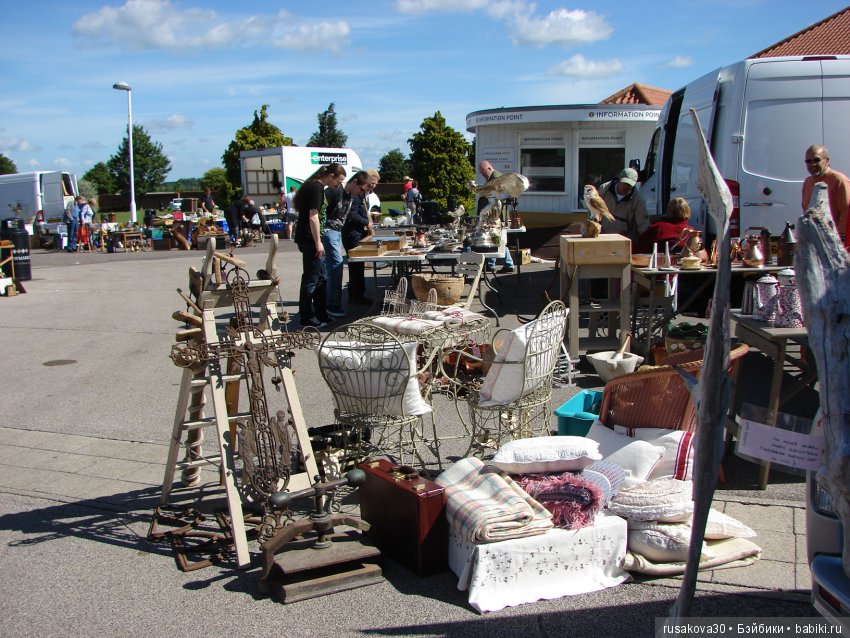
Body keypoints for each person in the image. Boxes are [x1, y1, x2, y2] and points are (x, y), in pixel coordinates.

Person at [293, 163, 346, 328]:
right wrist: (318, 243)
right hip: (310, 240)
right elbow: (313, 217)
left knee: (322, 278)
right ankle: (307, 317)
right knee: (311, 279)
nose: (339, 185)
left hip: (315, 239)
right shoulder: (315, 187)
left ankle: (321, 313)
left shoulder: (316, 187)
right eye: (338, 181)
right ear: (331, 176)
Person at [323, 170, 369, 318]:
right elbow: (320, 210)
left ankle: (331, 304)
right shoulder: (335, 191)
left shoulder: (351, 196)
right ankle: (332, 305)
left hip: (337, 233)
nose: (360, 193)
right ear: (355, 182)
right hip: (329, 231)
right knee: (335, 267)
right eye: (360, 189)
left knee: (333, 268)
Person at [801, 144, 850, 249]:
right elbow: (806, 211)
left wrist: (839, 240)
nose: (812, 164)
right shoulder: (808, 182)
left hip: (834, 243)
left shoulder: (838, 180)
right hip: (816, 242)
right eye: (808, 161)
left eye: (816, 160)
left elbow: (846, 211)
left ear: (826, 160)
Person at [343, 169, 379, 305]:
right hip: (353, 234)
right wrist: (366, 222)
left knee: (358, 267)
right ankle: (356, 296)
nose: (373, 187)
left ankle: (358, 294)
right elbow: (352, 215)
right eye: (372, 184)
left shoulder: (362, 194)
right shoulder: (356, 195)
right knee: (356, 267)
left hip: (358, 232)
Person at [476, 160, 516, 273]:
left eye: (483, 172)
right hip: (494, 214)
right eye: (481, 173)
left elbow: (497, 196)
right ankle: (492, 264)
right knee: (493, 238)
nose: (483, 175)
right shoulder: (492, 178)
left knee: (498, 240)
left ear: (489, 168)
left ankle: (508, 264)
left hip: (497, 215)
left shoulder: (496, 178)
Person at [598, 167, 649, 241]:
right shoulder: (604, 189)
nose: (626, 187)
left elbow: (643, 225)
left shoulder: (637, 200)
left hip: (624, 240)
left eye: (630, 185)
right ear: (619, 179)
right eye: (625, 183)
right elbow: (593, 211)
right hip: (602, 237)